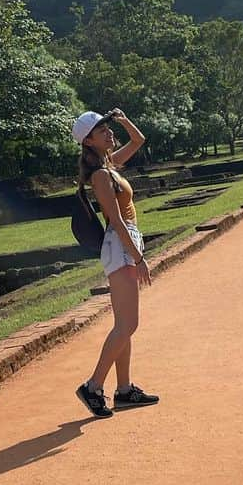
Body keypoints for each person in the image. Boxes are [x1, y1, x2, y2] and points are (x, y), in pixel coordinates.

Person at [72, 109, 160, 418]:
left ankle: (124, 390)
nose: (108, 133)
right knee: (128, 324)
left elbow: (139, 139)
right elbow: (118, 220)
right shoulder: (100, 175)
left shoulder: (110, 166)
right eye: (101, 130)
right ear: (89, 141)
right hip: (120, 246)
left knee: (124, 325)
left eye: (107, 128)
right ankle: (93, 385)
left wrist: (122, 119)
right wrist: (138, 258)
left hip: (124, 244)